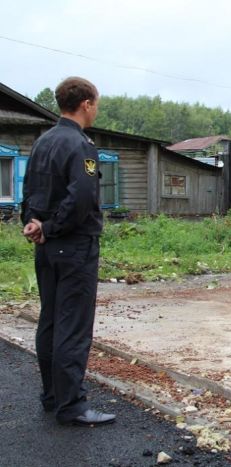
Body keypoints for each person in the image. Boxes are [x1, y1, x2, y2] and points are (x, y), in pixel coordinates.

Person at [21, 77, 115, 426]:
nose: (97, 109)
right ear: (86, 103)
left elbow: (28, 189)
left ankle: (51, 395)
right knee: (72, 326)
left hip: (45, 250)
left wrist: (33, 222)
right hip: (74, 247)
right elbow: (81, 199)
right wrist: (52, 227)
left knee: (49, 321)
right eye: (97, 103)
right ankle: (71, 405)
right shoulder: (80, 145)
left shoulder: (42, 142)